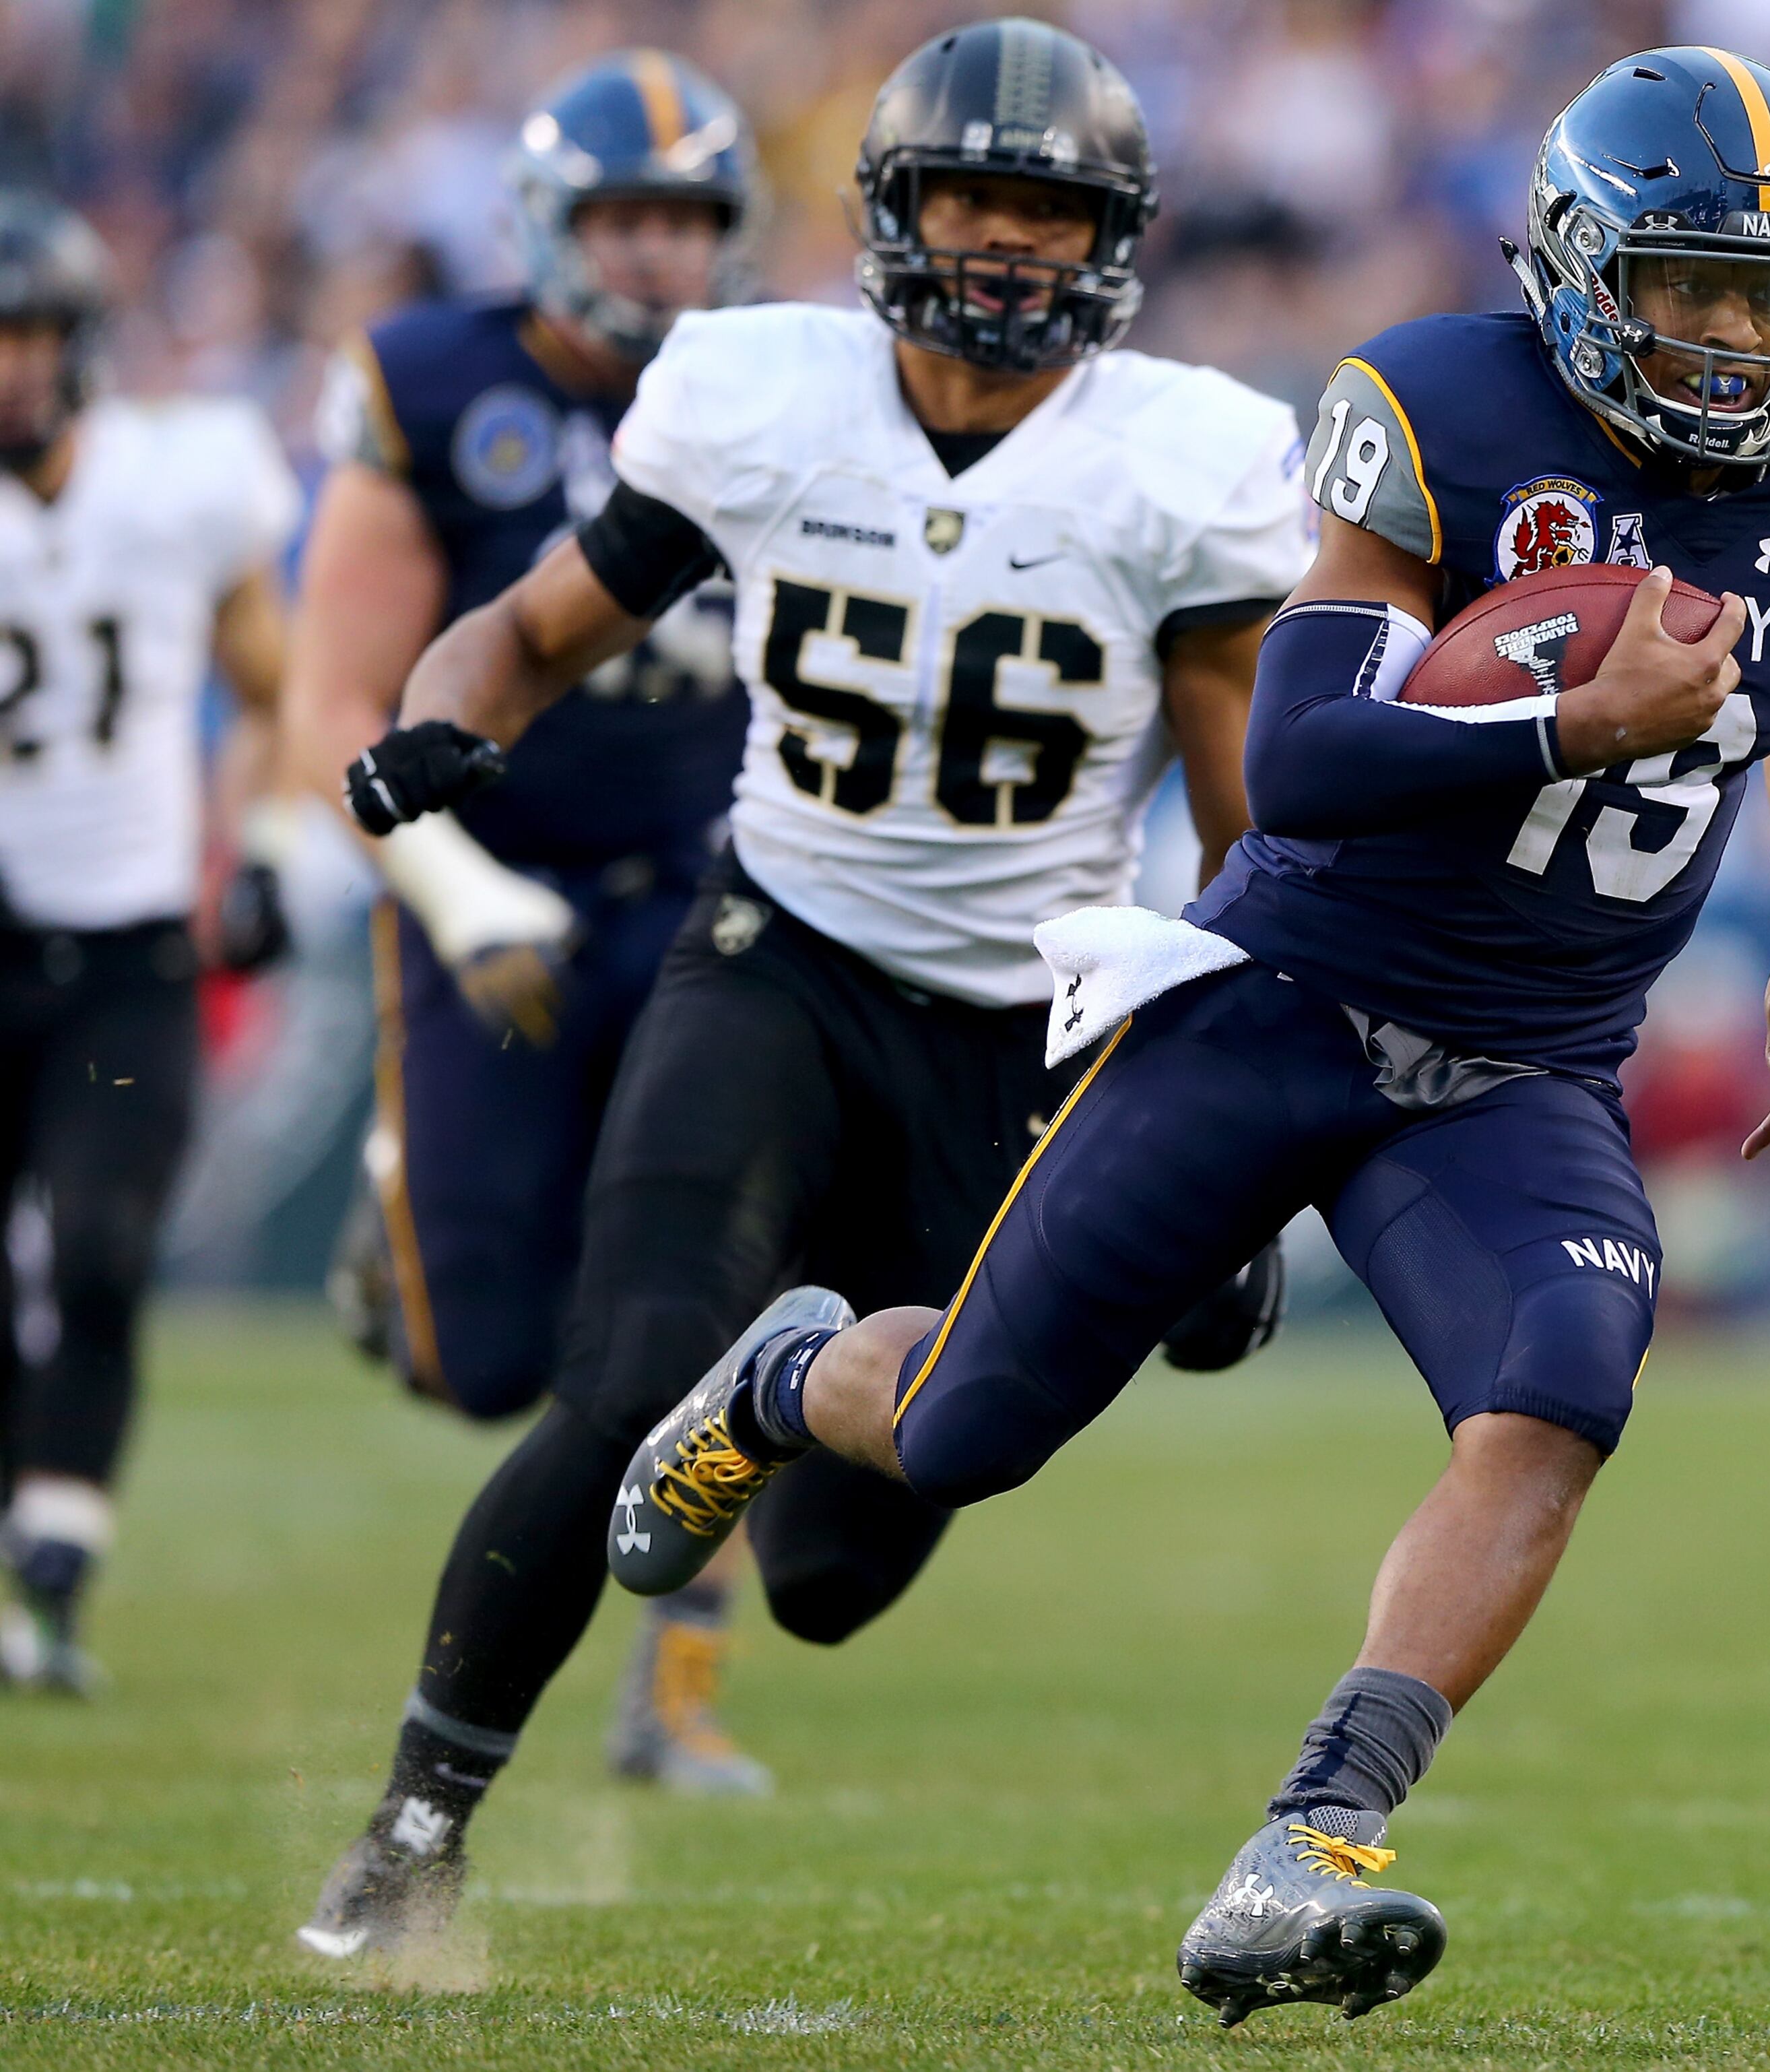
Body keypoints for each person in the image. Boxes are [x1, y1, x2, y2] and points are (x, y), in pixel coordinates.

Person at [601, 46, 1770, 2024]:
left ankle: (1309, 1841)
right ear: (1582, 273)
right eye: (1691, 288)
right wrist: (1577, 723)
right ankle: (796, 1370)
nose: (1738, 343)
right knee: (966, 1428)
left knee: (1566, 1381)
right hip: (1284, 998)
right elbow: (1304, 757)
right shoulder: (1444, 409)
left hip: (1524, 1060)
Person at [298, 18, 1303, 1961]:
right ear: (894, 211)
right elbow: (529, 629)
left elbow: (1244, 842)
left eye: (1052, 211)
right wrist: (441, 728)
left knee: (843, 1569)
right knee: (613, 1384)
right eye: (975, 200)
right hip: (776, 955)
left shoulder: (1186, 461)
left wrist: (1230, 1147)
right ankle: (411, 1831)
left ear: (1115, 236)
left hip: (1020, 1028)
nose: (1010, 244)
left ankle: (773, 1388)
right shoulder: (766, 396)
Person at [283, 53, 770, 1793]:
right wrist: (457, 884)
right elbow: (333, 700)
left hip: (715, 893)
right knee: (486, 1359)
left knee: (707, 1296)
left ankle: (680, 1681)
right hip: (490, 888)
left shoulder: (787, 385)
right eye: (623, 218)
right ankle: (400, 1221)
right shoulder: (434, 383)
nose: (655, 253)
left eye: (687, 221)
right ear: (548, 225)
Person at [0, 193, 301, 1693]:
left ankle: (56, 1560)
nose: (8, 369)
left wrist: (253, 842)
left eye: (27, 336)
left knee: (106, 1247)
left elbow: (271, 686)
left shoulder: (181, 482)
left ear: (79, 347)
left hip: (132, 949)